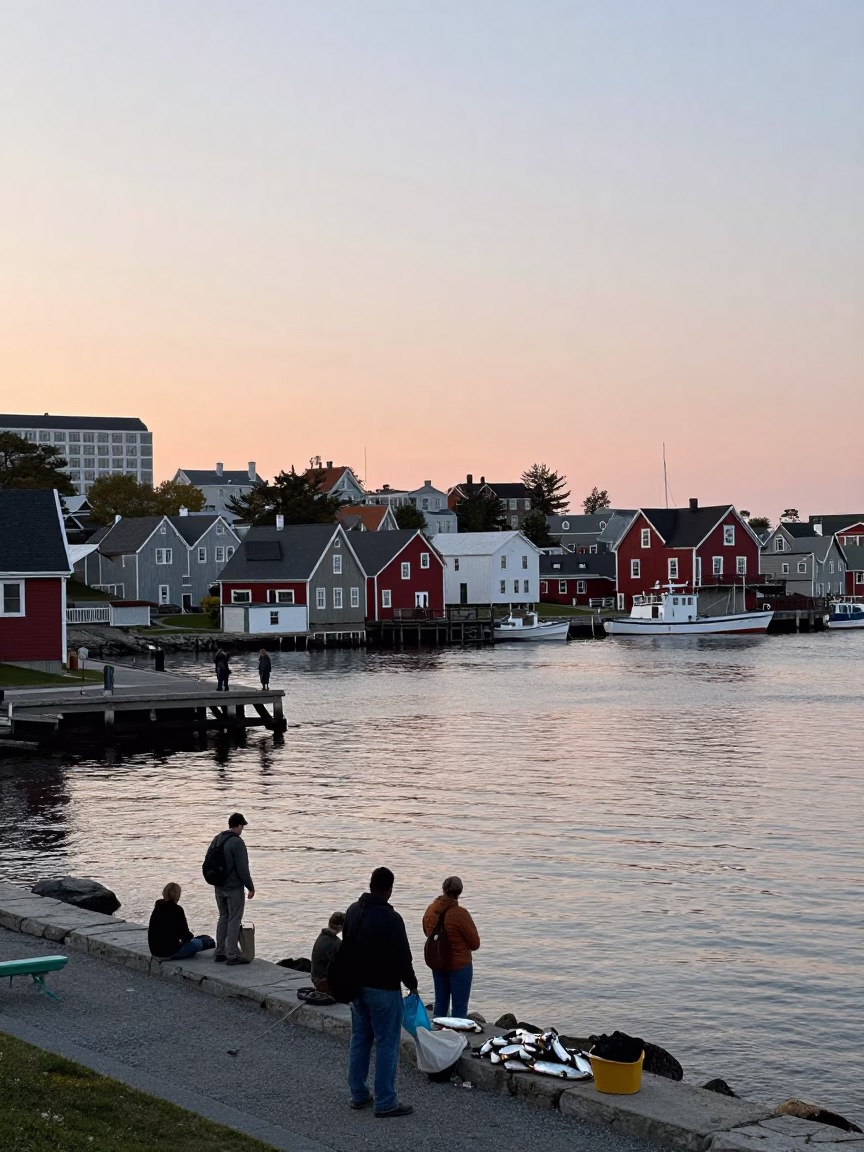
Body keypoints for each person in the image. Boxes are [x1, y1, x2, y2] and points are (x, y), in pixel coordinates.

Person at [344, 867, 417, 1119]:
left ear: (370, 884)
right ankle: (385, 1100)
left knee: (360, 1038)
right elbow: (402, 956)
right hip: (383, 989)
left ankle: (358, 1094)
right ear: (389, 890)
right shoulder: (391, 918)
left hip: (355, 987)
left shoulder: (354, 910)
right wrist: (412, 983)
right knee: (387, 1043)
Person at [422, 876, 480, 1019]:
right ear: (459, 891)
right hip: (459, 965)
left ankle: (438, 1036)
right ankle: (457, 1038)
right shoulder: (460, 914)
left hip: (438, 962)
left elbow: (427, 931)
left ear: (443, 889)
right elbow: (475, 943)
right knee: (459, 1008)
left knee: (440, 1004)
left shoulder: (431, 910)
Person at [209, 812, 255, 965]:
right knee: (234, 919)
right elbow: (243, 868)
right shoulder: (237, 843)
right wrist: (250, 887)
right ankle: (232, 955)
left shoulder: (217, 838)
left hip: (218, 886)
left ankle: (219, 952)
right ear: (237, 825)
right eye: (242, 826)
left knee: (223, 917)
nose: (242, 829)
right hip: (234, 888)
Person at [148, 882, 209, 961]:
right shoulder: (177, 909)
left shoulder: (157, 907)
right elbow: (185, 935)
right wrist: (190, 936)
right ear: (177, 895)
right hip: (169, 952)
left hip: (155, 951)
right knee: (205, 941)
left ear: (164, 893)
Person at [311, 911, 345, 992]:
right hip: (323, 983)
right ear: (341, 926)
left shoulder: (322, 936)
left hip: (315, 978)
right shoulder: (335, 943)